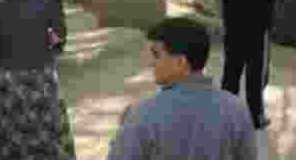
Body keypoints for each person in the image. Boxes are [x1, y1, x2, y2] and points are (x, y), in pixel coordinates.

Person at [107, 17, 258, 160]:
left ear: (180, 62)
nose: (151, 63)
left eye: (156, 54)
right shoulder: (237, 110)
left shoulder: (142, 115)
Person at [0, 0, 74, 160]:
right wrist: (50, 46)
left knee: (13, 131)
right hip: (41, 76)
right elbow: (60, 35)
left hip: (7, 80)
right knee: (47, 130)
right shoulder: (47, 0)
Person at [220, 0, 279, 130]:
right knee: (255, 75)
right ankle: (256, 116)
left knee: (231, 71)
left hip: (233, 26)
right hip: (256, 29)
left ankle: (225, 115)